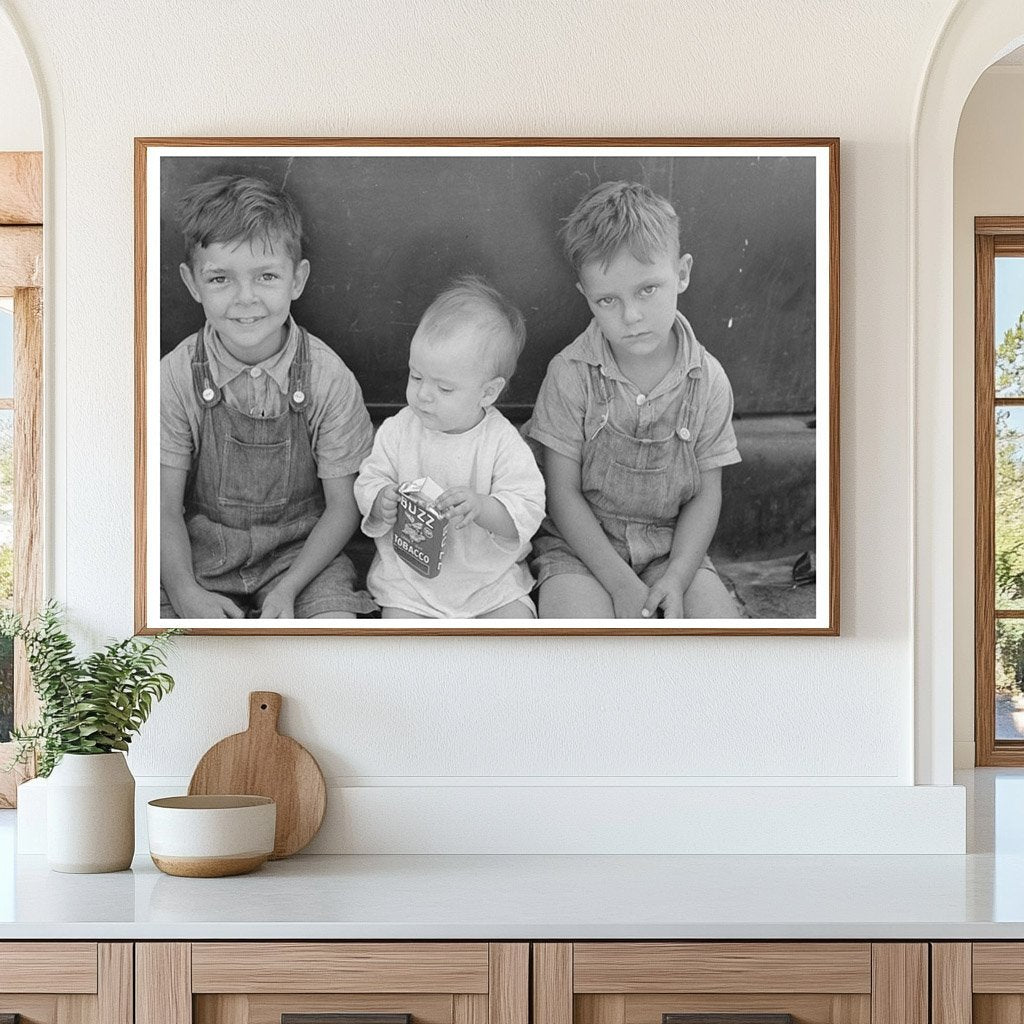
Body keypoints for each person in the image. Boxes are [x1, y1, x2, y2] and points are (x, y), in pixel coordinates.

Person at [160, 175, 375, 620]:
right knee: (167, 648)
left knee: (334, 635)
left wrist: (289, 590)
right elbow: (163, 506)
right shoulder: (175, 376)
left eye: (267, 276)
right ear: (192, 283)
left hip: (303, 560)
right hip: (201, 560)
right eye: (220, 278)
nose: (246, 299)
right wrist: (183, 591)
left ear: (297, 279)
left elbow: (343, 506)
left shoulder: (328, 377)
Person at [527, 180, 743, 620]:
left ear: (681, 273)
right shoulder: (570, 374)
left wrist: (678, 576)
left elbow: (706, 495)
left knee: (721, 636)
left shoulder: (709, 382)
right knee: (580, 638)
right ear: (585, 296)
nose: (631, 316)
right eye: (608, 300)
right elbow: (562, 493)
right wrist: (621, 584)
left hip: (672, 552)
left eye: (648, 289)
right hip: (580, 552)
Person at [355, 276, 545, 619]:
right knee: (397, 645)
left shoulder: (501, 442)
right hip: (409, 583)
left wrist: (483, 508)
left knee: (518, 635)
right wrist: (381, 499)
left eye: (444, 388)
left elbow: (528, 507)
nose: (424, 395)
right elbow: (370, 477)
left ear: (488, 393)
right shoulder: (399, 429)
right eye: (416, 377)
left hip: (489, 584)